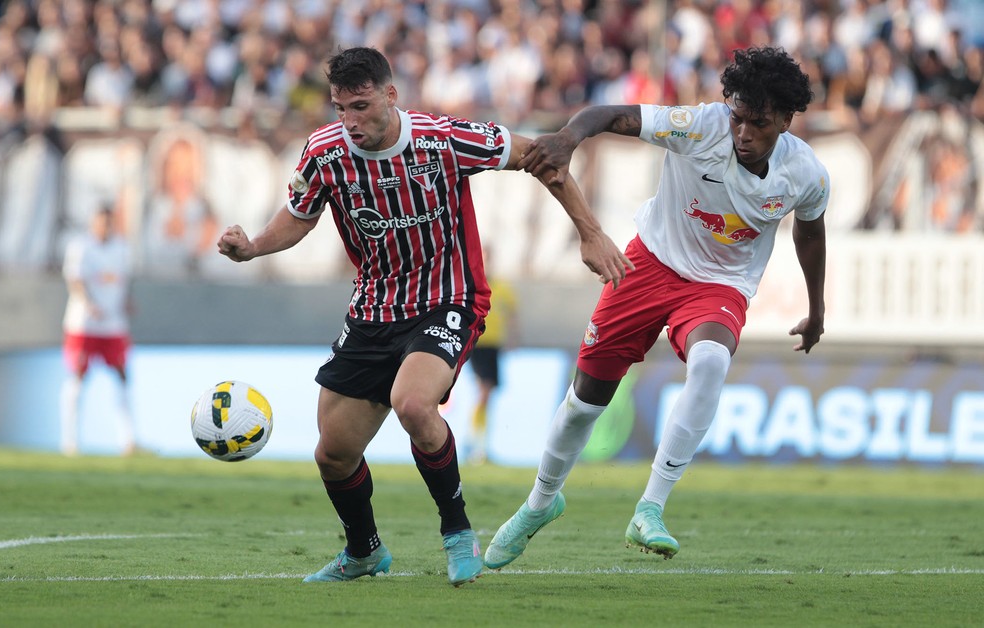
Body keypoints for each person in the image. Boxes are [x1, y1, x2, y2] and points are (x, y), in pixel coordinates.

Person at [216, 46, 632, 587]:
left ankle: (458, 534)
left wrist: (590, 232)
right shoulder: (324, 152)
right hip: (372, 309)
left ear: (391, 95)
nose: (350, 121)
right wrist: (254, 248)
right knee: (333, 452)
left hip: (449, 299)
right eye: (341, 108)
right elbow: (300, 216)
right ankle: (363, 551)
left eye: (361, 106)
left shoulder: (443, 140)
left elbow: (542, 157)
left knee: (412, 403)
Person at [484, 46, 828, 569]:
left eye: (757, 123)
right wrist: (569, 137)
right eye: (737, 118)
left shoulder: (806, 173)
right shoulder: (700, 125)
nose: (742, 133)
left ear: (785, 119)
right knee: (585, 404)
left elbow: (810, 232)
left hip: (720, 284)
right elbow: (612, 115)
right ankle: (539, 503)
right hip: (650, 263)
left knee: (711, 363)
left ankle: (650, 507)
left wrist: (817, 308)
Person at [60, 204, 137, 457]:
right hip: (84, 324)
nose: (106, 227)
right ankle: (70, 441)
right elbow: (75, 280)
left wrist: (126, 301)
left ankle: (128, 441)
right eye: (102, 222)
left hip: (113, 324)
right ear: (94, 223)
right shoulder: (80, 247)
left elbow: (122, 281)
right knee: (79, 375)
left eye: (110, 222)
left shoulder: (122, 248)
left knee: (122, 374)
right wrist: (89, 304)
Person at [465, 249, 519, 464]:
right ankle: (475, 444)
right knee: (484, 392)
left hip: (493, 346)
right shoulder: (470, 285)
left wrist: (513, 338)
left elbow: (512, 314)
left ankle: (479, 444)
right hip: (477, 343)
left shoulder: (502, 287)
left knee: (487, 395)